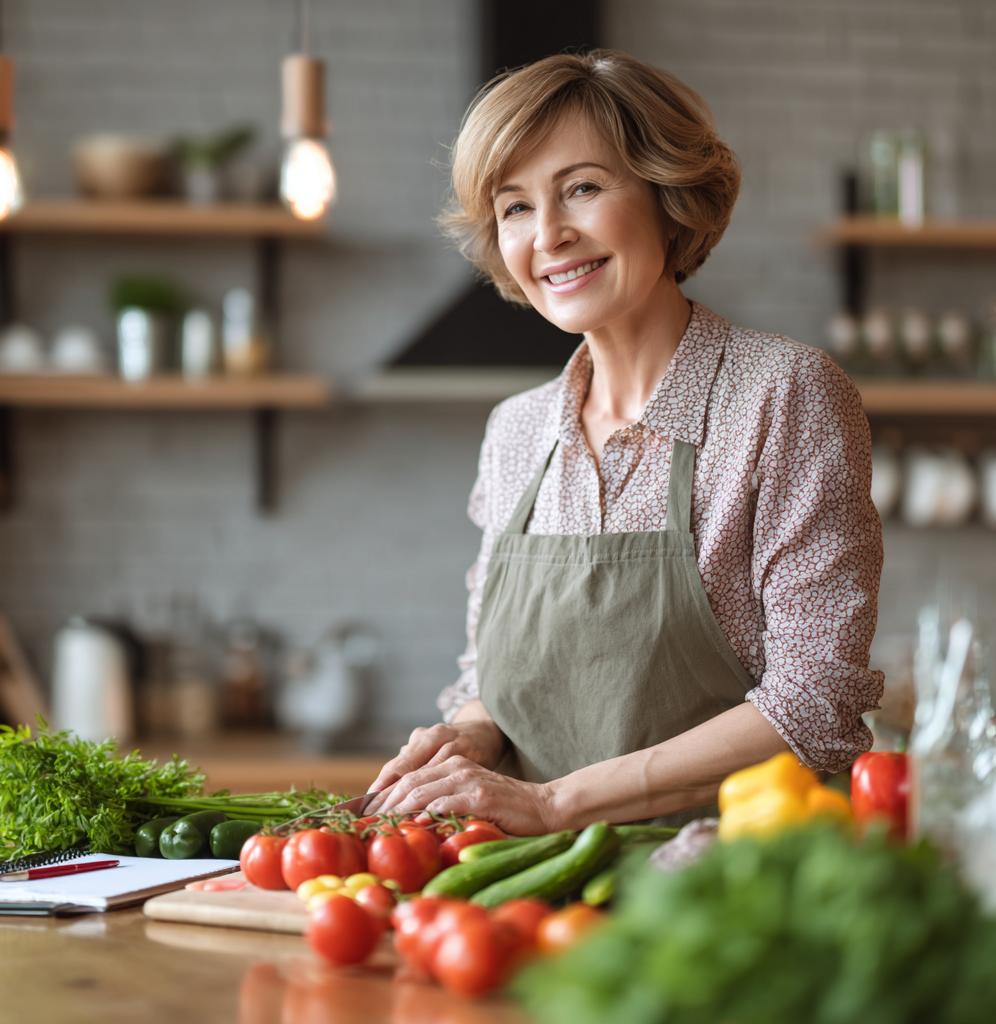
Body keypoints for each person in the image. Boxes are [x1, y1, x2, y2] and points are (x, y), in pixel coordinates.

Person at [366, 50, 883, 835]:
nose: (550, 236)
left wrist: (554, 802)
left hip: (731, 883)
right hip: (530, 879)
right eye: (515, 208)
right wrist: (468, 737)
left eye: (582, 188)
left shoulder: (783, 394)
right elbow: (496, 680)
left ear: (667, 193)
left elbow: (815, 704)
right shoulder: (515, 433)